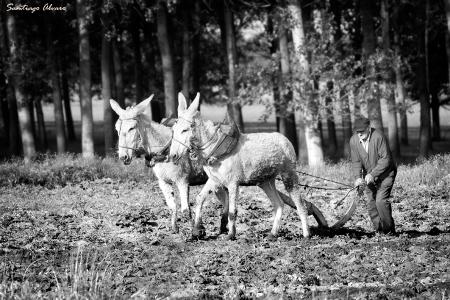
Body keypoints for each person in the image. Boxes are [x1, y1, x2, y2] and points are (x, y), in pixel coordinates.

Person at [350, 117, 397, 234]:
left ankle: (388, 231)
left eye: (362, 131)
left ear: (368, 128)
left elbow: (386, 159)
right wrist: (358, 178)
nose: (359, 134)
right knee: (371, 203)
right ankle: (379, 230)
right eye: (357, 131)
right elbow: (356, 162)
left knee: (380, 201)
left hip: (386, 174)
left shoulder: (378, 137)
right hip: (369, 177)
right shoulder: (354, 141)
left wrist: (373, 174)